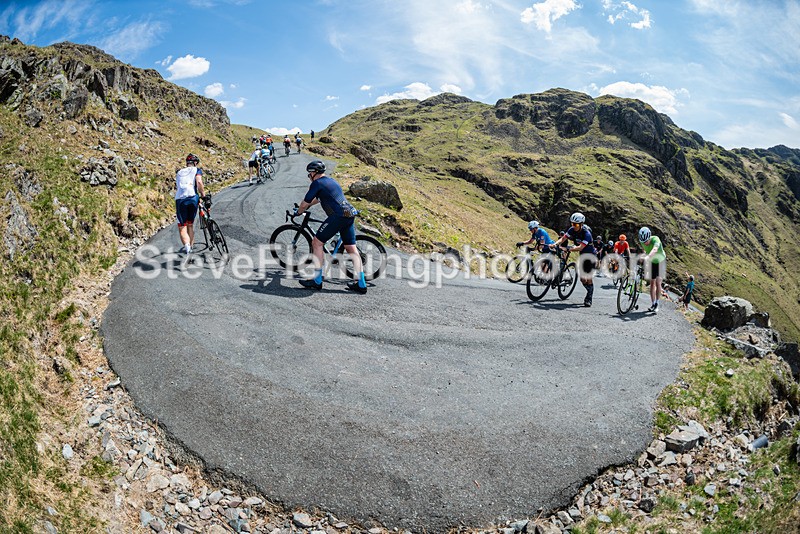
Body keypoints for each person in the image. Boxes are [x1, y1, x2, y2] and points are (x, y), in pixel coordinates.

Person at [295, 160, 367, 294]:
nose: (309, 176)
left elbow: (305, 203)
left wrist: (298, 212)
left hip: (338, 216)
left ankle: (317, 280)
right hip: (349, 213)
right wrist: (309, 205)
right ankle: (361, 283)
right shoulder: (330, 181)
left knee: (317, 242)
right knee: (351, 247)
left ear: (313, 172)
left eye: (309, 173)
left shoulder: (317, 183)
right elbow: (319, 199)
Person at [551, 212, 596, 306]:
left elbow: (580, 247)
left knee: (588, 278)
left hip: (590, 255)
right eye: (572, 223)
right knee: (582, 279)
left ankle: (589, 296)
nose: (573, 226)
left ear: (581, 224)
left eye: (575, 224)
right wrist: (555, 244)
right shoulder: (572, 229)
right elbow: (563, 239)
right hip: (582, 256)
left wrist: (568, 248)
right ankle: (588, 290)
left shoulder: (587, 234)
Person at [175, 153, 206, 253]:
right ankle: (191, 247)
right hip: (193, 198)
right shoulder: (197, 170)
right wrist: (203, 196)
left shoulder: (179, 172)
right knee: (190, 225)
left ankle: (188, 249)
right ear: (195, 163)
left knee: (182, 227)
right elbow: (199, 182)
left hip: (180, 200)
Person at [638, 226, 666, 313]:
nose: (645, 243)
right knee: (652, 283)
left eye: (646, 241)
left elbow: (654, 249)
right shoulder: (642, 242)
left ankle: (657, 303)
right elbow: (645, 250)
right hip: (652, 261)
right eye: (643, 242)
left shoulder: (655, 239)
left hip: (661, 260)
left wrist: (648, 257)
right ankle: (653, 303)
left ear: (649, 237)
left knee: (658, 283)